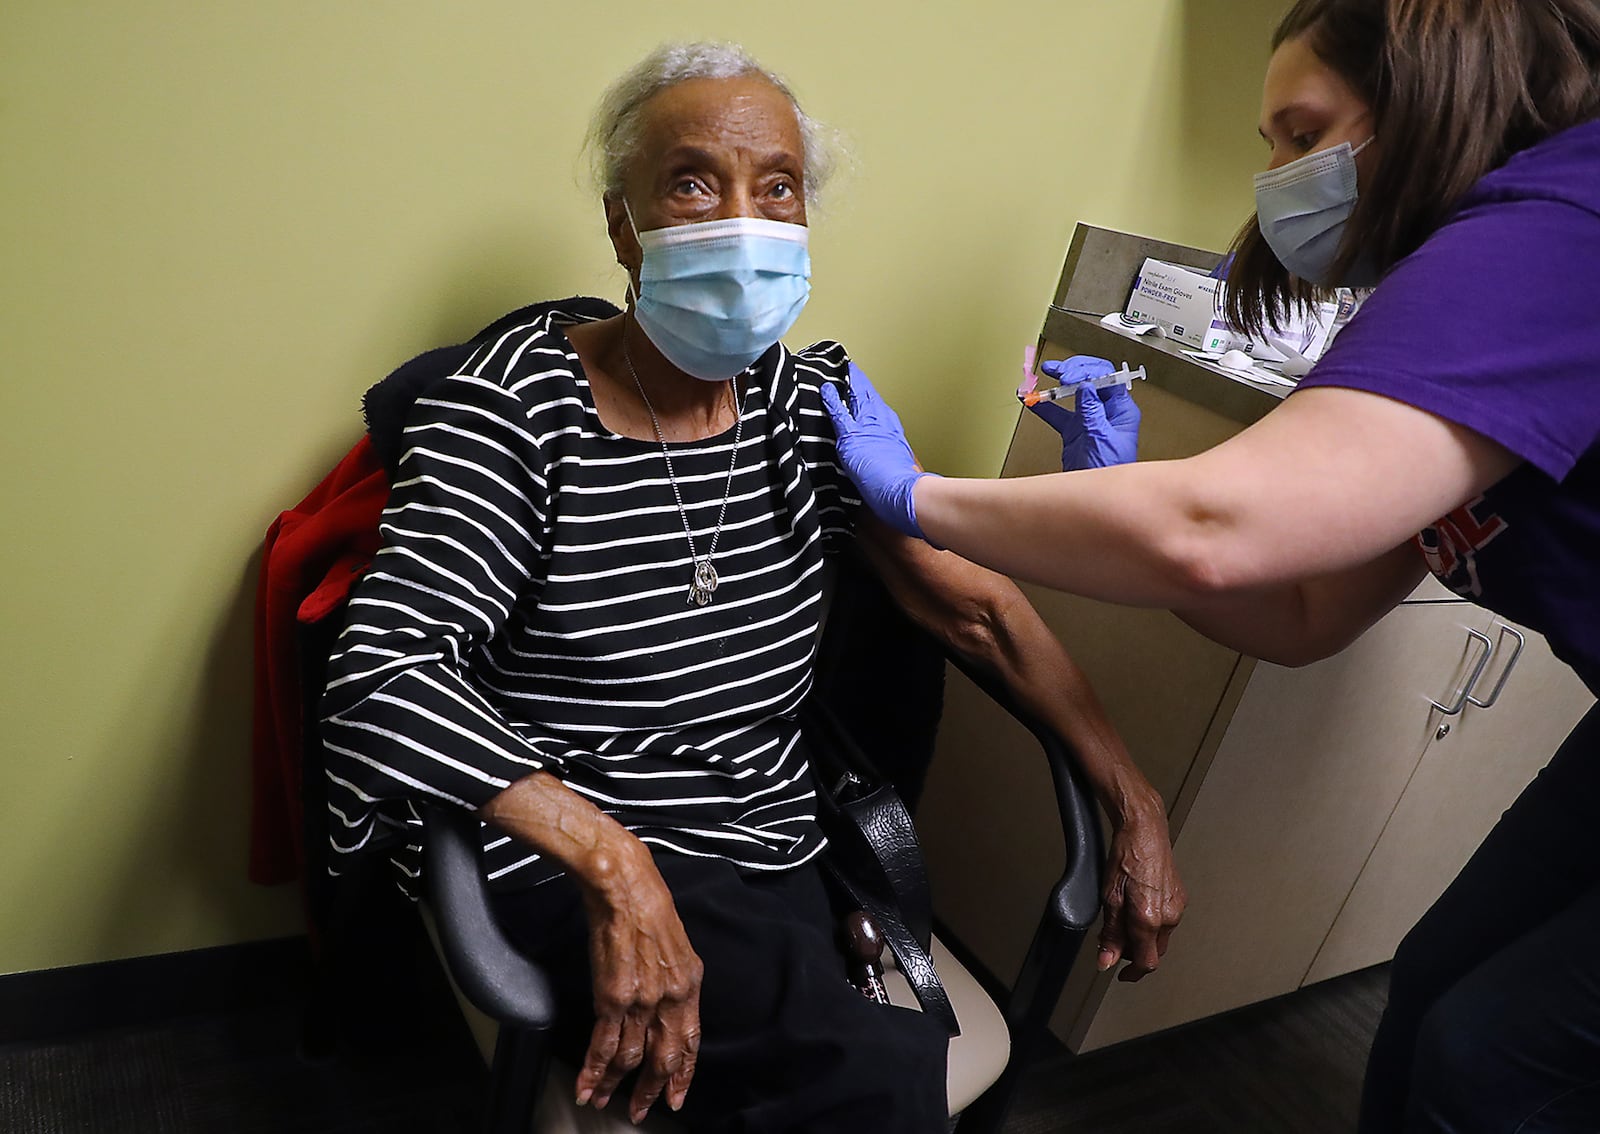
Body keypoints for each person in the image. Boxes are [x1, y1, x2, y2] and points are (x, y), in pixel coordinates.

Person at [320, 42, 1183, 1132]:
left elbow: (973, 605)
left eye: (776, 188)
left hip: (767, 838)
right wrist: (611, 859)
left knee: (870, 1057)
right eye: (692, 181)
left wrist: (1133, 799)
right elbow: (382, 672)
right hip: (565, 848)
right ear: (623, 224)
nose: (742, 218)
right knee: (866, 1082)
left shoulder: (803, 403)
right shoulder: (510, 408)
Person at [824, 1, 1600, 1130]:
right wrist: (1106, 490)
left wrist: (921, 498)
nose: (1276, 177)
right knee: (1439, 983)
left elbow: (1209, 534)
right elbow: (1297, 615)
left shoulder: (1558, 223)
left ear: (1430, 97)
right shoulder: (1456, 290)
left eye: (1300, 132)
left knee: (1492, 1061)